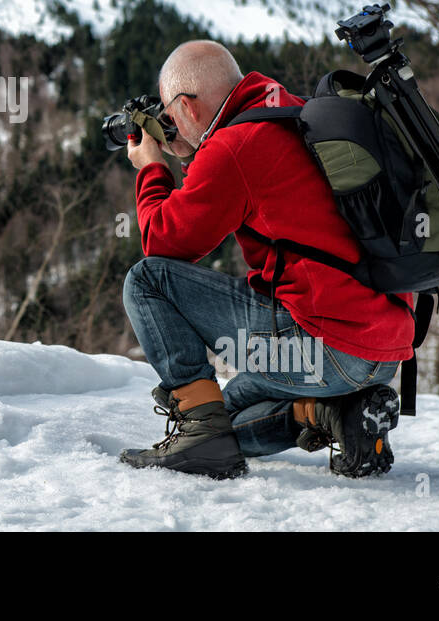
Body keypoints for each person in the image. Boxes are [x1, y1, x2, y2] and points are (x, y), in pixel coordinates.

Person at [120, 40, 412, 479]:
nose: (168, 124)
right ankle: (337, 414)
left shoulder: (233, 146)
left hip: (324, 345)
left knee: (146, 281)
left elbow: (161, 242)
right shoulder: (289, 111)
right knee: (230, 414)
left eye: (169, 113)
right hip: (380, 351)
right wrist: (190, 151)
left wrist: (150, 167)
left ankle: (200, 433)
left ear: (188, 108)